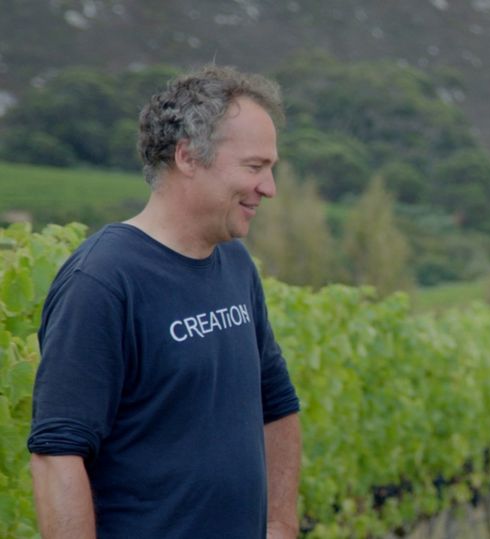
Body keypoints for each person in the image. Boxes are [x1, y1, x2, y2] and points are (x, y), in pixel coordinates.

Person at [27, 65, 302, 539]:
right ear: (189, 156)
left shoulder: (234, 263)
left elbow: (275, 402)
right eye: (255, 167)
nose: (269, 188)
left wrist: (279, 523)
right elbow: (57, 454)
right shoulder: (104, 280)